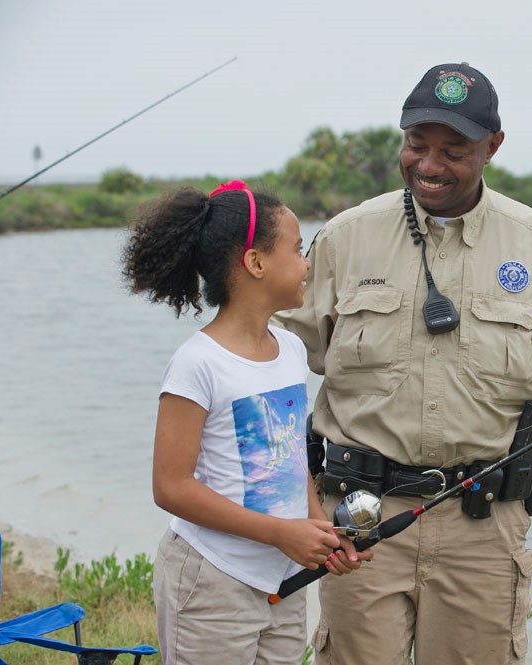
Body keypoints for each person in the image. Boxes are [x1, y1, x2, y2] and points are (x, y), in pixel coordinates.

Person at [274, 62, 532, 665]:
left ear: (493, 147)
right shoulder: (344, 237)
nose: (430, 165)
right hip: (358, 521)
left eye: (453, 150)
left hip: (484, 525)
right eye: (417, 145)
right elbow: (277, 356)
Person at [122, 181, 372, 665]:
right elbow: (170, 487)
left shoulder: (292, 351)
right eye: (298, 250)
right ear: (256, 263)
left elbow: (288, 459)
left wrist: (319, 529)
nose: (307, 265)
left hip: (282, 575)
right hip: (211, 578)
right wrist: (280, 533)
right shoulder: (198, 363)